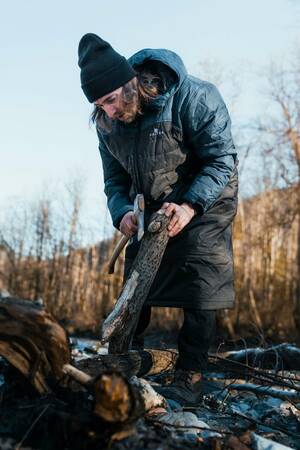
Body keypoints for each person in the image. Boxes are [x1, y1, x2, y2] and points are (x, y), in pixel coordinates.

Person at [78, 33, 238, 406]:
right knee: (136, 283)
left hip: (205, 198)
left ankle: (190, 374)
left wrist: (190, 206)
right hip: (149, 206)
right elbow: (114, 181)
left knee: (201, 279)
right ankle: (123, 363)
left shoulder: (194, 96)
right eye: (100, 105)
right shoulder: (108, 124)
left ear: (130, 83)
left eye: (112, 100)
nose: (109, 111)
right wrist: (121, 214)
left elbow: (222, 159)